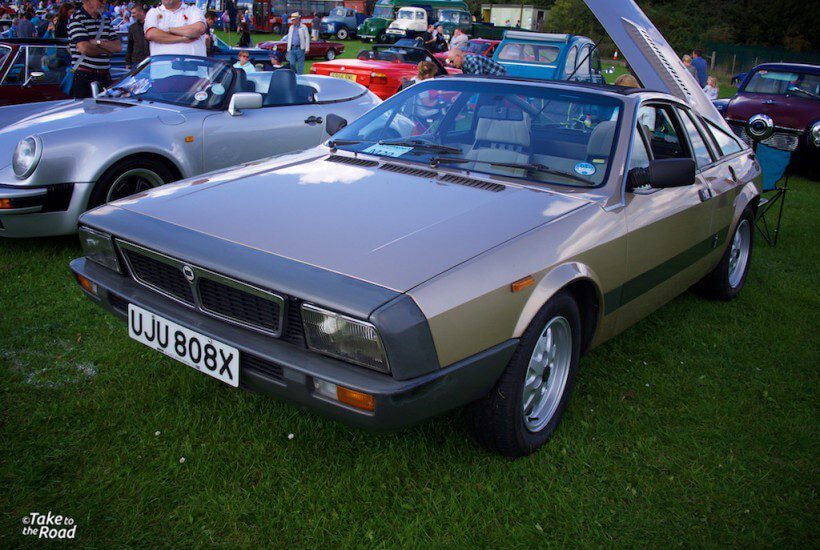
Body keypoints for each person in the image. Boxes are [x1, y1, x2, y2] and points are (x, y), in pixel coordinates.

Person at [67, 0, 121, 98]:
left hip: (104, 76)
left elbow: (117, 47)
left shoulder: (105, 20)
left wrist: (97, 43)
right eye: (100, 0)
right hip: (84, 76)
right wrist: (107, 49)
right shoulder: (76, 19)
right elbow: (85, 48)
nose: (104, 2)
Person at [125, 4, 148, 69]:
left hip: (150, 59)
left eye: (134, 13)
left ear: (141, 12)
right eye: (131, 13)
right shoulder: (132, 27)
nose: (132, 15)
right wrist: (127, 62)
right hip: (137, 61)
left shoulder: (151, 25)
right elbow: (130, 45)